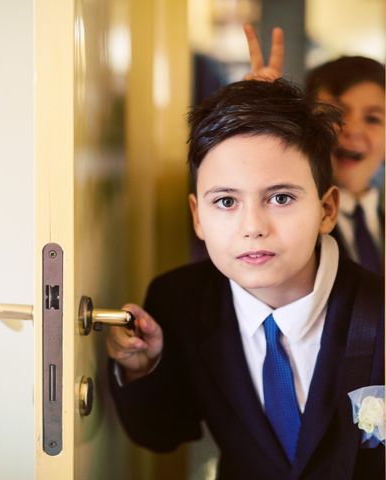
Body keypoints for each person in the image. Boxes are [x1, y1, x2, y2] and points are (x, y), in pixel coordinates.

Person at [107, 79, 384, 478]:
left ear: (326, 209)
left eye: (281, 198)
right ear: (198, 216)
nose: (253, 226)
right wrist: (142, 368)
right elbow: (163, 433)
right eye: (225, 201)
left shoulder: (377, 308)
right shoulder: (178, 301)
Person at [244, 25, 385, 273]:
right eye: (336, 114)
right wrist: (261, 114)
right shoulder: (285, 225)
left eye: (372, 119)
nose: (352, 130)